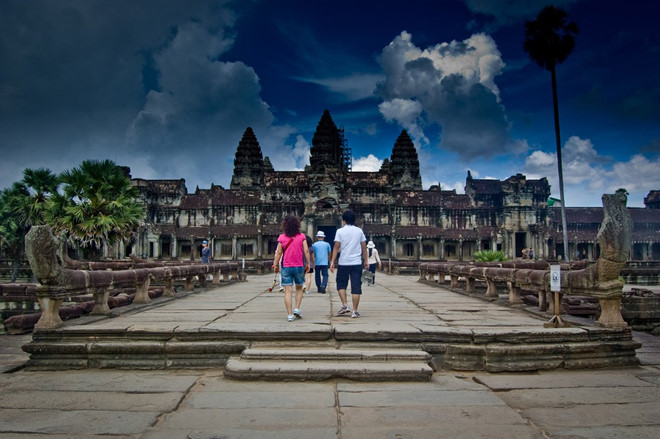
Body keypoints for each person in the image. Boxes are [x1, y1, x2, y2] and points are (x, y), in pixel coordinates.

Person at [330, 210, 368, 318]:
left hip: (343, 262)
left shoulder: (340, 231)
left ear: (344, 220)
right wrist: (366, 261)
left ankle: (345, 305)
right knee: (356, 286)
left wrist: (332, 261)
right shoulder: (359, 231)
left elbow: (336, 247)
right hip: (356, 262)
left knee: (341, 284)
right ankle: (355, 311)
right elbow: (364, 247)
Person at [272, 215, 310, 322]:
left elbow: (279, 252)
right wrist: (308, 263)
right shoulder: (302, 236)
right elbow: (306, 250)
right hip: (298, 266)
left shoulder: (282, 237)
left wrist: (275, 264)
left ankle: (289, 315)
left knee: (287, 291)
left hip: (286, 266)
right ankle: (297, 308)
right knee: (299, 288)